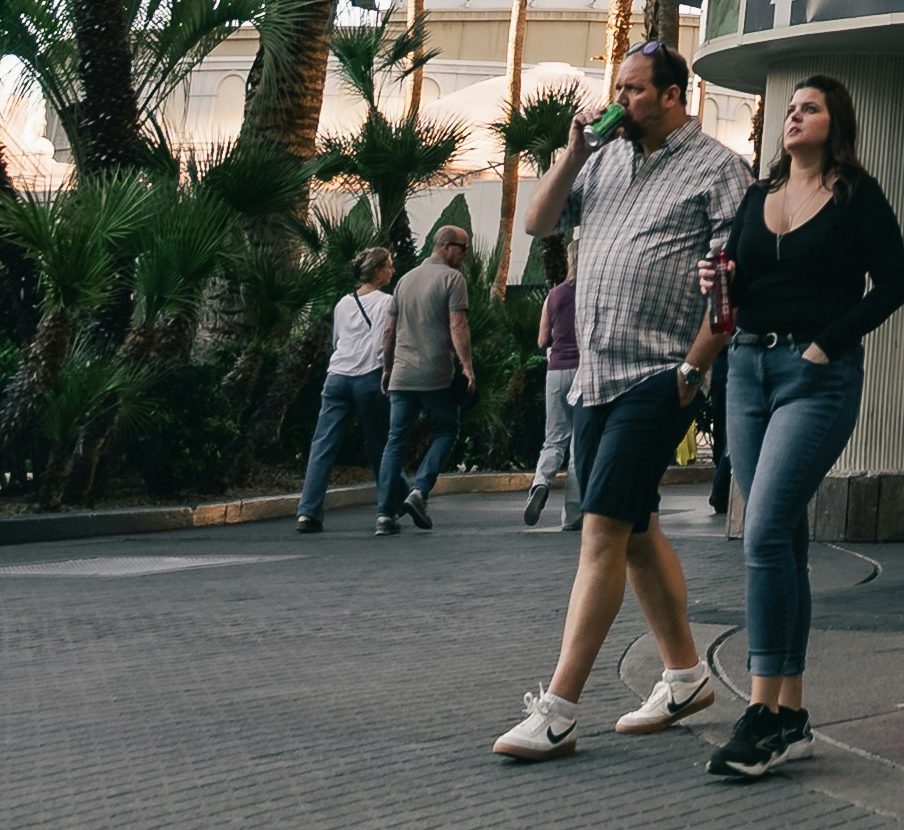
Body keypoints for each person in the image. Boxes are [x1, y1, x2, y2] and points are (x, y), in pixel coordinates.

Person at [492, 43, 744, 758]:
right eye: (616, 89)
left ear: (673, 95)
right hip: (592, 377)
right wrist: (571, 154)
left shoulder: (719, 170)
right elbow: (540, 223)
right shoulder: (600, 160)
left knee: (601, 530)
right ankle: (687, 676)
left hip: (657, 375)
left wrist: (694, 369)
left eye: (633, 90)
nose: (618, 102)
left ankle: (559, 707)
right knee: (634, 531)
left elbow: (732, 281)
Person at [704, 73, 904, 780]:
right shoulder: (757, 198)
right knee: (783, 536)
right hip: (746, 371)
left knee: (761, 532)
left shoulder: (857, 196)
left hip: (815, 378)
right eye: (789, 110)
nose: (793, 118)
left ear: (834, 121)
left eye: (809, 108)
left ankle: (760, 715)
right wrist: (717, 282)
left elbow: (896, 284)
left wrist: (829, 339)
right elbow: (737, 281)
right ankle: (789, 712)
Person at [377, 221, 474, 532]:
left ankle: (384, 514)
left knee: (394, 442)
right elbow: (457, 324)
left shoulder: (404, 281)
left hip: (402, 375)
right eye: (463, 249)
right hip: (435, 374)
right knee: (447, 430)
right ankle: (420, 491)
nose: (466, 255)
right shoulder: (452, 279)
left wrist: (387, 367)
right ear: (445, 246)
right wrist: (467, 366)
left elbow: (389, 331)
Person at [294, 246, 395, 531]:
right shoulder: (386, 302)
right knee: (381, 446)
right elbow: (383, 340)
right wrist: (387, 372)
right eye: (389, 265)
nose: (392, 270)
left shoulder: (343, 303)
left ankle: (308, 512)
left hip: (337, 377)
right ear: (377, 271)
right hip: (368, 376)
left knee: (322, 445)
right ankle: (390, 506)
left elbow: (337, 340)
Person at [519, 249, 581, 529]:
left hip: (556, 371)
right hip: (584, 371)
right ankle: (572, 515)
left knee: (554, 439)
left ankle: (540, 483)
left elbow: (543, 339)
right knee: (579, 445)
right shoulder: (592, 292)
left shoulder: (554, 295)